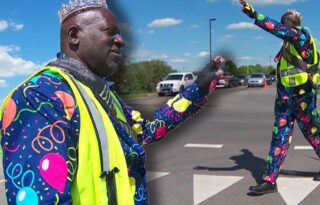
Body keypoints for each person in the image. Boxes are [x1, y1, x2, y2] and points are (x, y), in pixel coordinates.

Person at [0, 1, 224, 204]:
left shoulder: (100, 94)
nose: (121, 40)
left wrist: (199, 88)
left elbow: (148, 130)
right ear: (74, 35)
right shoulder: (40, 95)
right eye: (111, 32)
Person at [239, 0, 320, 195]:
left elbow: (276, 28)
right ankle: (269, 179)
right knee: (279, 138)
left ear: (293, 24)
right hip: (285, 99)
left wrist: (254, 14)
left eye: (287, 21)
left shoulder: (301, 36)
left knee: (313, 133)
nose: (284, 24)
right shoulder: (287, 45)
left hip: (303, 97)